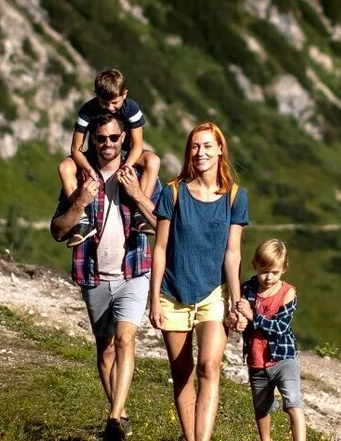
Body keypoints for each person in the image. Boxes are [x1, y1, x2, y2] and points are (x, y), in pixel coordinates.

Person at [50, 113, 165, 440]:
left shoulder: (140, 174)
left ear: (124, 139)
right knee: (106, 349)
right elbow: (58, 231)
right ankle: (121, 410)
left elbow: (162, 226)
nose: (108, 144)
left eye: (114, 138)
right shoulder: (81, 178)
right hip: (93, 274)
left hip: (134, 271)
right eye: (101, 139)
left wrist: (137, 194)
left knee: (126, 338)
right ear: (92, 142)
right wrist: (80, 203)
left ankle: (114, 419)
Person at [149, 122, 249, 441]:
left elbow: (232, 254)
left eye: (208, 146)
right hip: (173, 294)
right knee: (183, 374)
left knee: (208, 366)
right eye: (195, 146)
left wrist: (236, 298)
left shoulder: (235, 197)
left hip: (213, 296)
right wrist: (153, 300)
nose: (201, 152)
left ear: (221, 150)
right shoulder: (173, 191)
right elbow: (160, 249)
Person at [59, 69, 161, 248]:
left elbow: (137, 145)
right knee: (64, 167)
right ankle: (82, 220)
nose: (110, 108)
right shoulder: (88, 110)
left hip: (127, 151)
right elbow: (76, 148)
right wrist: (89, 170)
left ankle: (139, 213)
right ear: (96, 96)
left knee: (153, 160)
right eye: (104, 103)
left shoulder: (131, 108)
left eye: (115, 102)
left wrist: (127, 165)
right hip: (95, 151)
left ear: (125, 94)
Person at [238, 239, 306, 441]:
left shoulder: (288, 293)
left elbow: (279, 327)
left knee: (293, 402)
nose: (268, 277)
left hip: (284, 358)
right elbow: (237, 312)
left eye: (274, 272)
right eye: (264, 271)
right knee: (261, 407)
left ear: (284, 269)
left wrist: (252, 316)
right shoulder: (246, 290)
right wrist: (237, 319)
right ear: (255, 265)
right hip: (256, 361)